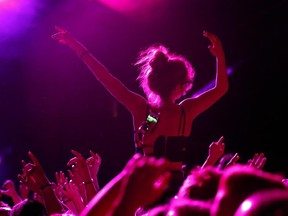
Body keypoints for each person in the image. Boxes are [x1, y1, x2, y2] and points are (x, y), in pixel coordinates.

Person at [51, 26, 228, 200]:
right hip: (174, 195)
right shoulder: (186, 111)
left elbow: (105, 78)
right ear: (180, 85)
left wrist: (76, 46)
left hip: (142, 192)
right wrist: (219, 55)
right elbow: (221, 88)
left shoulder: (140, 108)